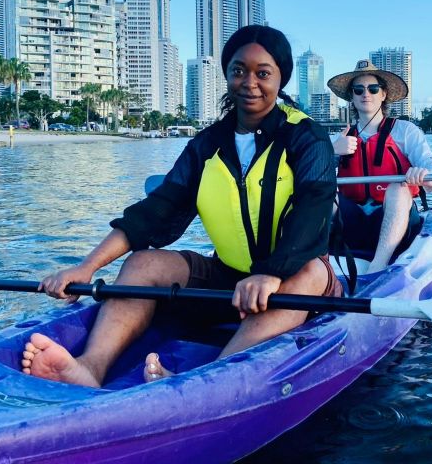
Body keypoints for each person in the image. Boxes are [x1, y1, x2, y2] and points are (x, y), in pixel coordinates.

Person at [21, 25, 340, 387]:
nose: (249, 82)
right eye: (238, 71)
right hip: (229, 281)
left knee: (311, 272)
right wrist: (86, 267)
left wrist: (272, 273)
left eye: (262, 73)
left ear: (280, 79)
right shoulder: (207, 145)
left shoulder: (308, 137)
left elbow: (313, 212)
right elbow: (155, 211)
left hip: (294, 281)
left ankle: (210, 380)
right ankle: (90, 367)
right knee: (143, 262)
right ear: (227, 75)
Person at [327, 59, 432, 273]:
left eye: (373, 88)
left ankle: (377, 268)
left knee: (397, 188)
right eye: (358, 89)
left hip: (394, 219)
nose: (366, 94)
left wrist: (426, 175)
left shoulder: (405, 131)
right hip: (352, 220)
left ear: (383, 95)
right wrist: (332, 152)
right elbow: (310, 175)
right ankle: (316, 262)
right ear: (351, 97)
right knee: (322, 190)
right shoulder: (340, 138)